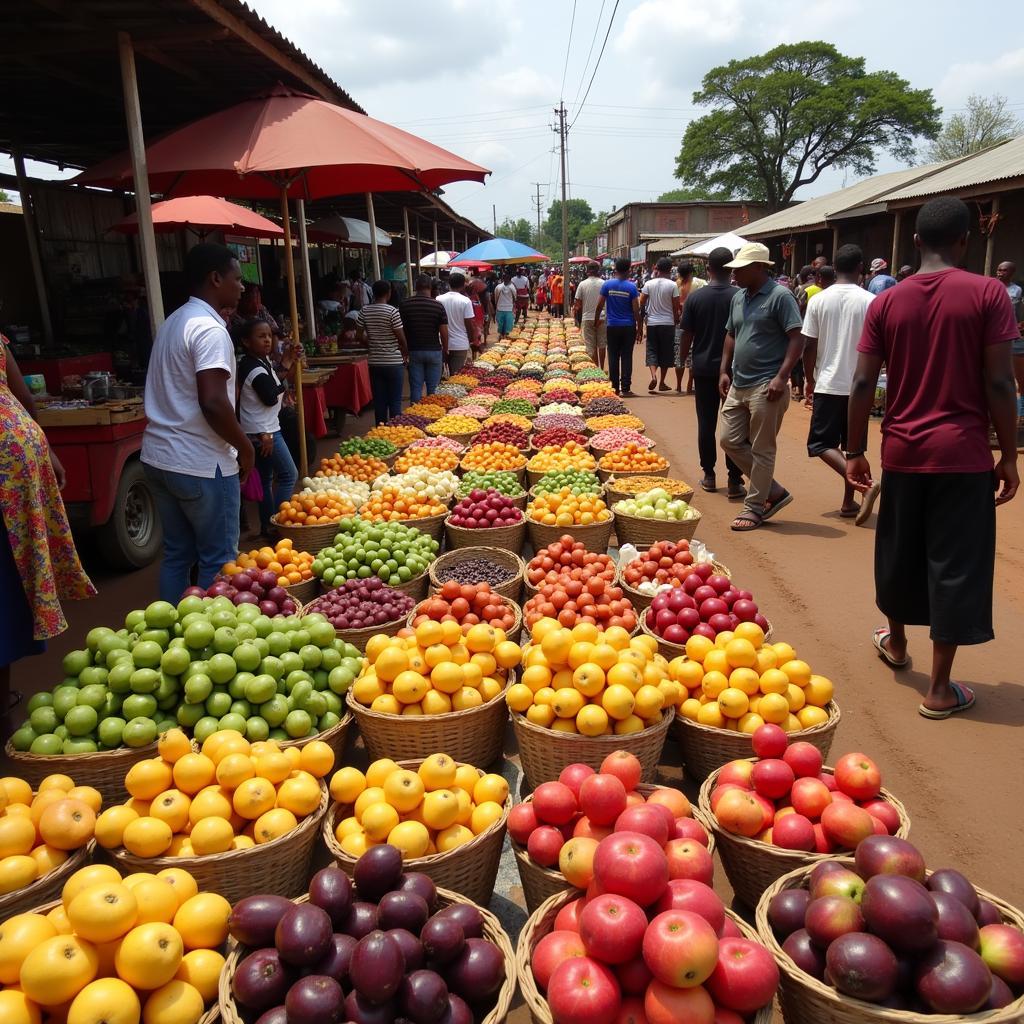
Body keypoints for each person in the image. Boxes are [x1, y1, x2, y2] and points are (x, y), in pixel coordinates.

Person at [846, 195, 1019, 719]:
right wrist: (1009, 454)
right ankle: (940, 689)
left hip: (902, 451)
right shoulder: (989, 293)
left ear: (916, 241)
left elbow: (860, 382)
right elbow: (998, 381)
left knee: (900, 553)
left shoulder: (887, 302)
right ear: (967, 239)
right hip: (964, 456)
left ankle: (897, 643)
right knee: (955, 564)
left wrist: (854, 449)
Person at [142, 243, 254, 602]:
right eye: (237, 279)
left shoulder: (173, 322)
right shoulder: (209, 329)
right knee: (219, 560)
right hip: (200, 462)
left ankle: (173, 631)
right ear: (215, 278)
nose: (242, 287)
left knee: (176, 555)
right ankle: (207, 645)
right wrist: (245, 446)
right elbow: (213, 401)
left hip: (159, 457)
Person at [1, 336, 95, 722]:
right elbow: (24, 397)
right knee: (8, 582)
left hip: (12, 471)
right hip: (13, 463)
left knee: (7, 584)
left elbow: (21, 394)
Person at [718, 242, 804, 531]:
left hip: (767, 384)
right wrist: (724, 369)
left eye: (739, 270)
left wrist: (782, 376)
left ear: (758, 269)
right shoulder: (739, 298)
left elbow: (796, 338)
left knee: (762, 448)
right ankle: (773, 490)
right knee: (729, 440)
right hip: (739, 382)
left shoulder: (781, 297)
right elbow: (732, 334)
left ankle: (755, 506)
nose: (734, 275)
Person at [801, 245, 877, 522]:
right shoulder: (871, 301)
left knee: (820, 444)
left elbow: (809, 345)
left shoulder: (819, 300)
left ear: (833, 266)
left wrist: (809, 380)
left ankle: (863, 485)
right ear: (861, 267)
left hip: (829, 382)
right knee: (853, 447)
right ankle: (849, 502)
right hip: (861, 385)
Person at [678, 247, 745, 499]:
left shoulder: (696, 298)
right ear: (732, 269)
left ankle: (709, 474)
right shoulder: (740, 297)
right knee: (735, 425)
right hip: (735, 370)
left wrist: (683, 359)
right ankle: (735, 479)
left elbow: (687, 333)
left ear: (708, 269)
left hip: (704, 368)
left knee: (706, 422)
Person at [234, 318, 298, 536]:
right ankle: (279, 522)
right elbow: (270, 396)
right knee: (289, 474)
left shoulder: (259, 362)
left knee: (266, 479)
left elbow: (275, 380)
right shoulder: (253, 368)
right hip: (264, 432)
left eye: (269, 336)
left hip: (261, 430)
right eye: (261, 336)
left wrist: (288, 362)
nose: (267, 340)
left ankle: (268, 526)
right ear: (246, 341)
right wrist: (288, 364)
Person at [356, 280, 409, 425]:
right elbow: (401, 337)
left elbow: (358, 335)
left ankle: (380, 430)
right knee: (394, 401)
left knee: (379, 401)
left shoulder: (364, 311)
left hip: (375, 362)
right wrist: (405, 351)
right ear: (388, 293)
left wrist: (370, 344)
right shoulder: (392, 311)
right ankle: (394, 430)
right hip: (393, 362)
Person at [595, 257, 643, 397]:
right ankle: (626, 388)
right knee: (627, 356)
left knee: (613, 356)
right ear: (629, 270)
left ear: (615, 269)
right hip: (628, 327)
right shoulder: (632, 287)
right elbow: (636, 310)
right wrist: (639, 327)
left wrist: (595, 322)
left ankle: (614, 387)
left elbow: (599, 306)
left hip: (612, 326)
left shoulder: (607, 285)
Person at [401, 275, 449, 401]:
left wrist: (404, 350)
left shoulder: (405, 305)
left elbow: (400, 329)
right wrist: (445, 349)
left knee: (416, 387)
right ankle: (431, 415)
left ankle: (415, 416)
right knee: (433, 388)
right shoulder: (438, 306)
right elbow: (444, 332)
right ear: (431, 287)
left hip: (414, 350)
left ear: (416, 287)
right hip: (433, 351)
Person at [640, 257, 681, 392]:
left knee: (652, 350)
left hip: (652, 323)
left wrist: (643, 318)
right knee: (666, 352)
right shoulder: (673, 285)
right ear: (670, 270)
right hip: (668, 323)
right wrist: (676, 319)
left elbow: (642, 302)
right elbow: (676, 306)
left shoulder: (648, 284)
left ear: (657, 268)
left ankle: (653, 376)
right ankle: (662, 382)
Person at [995, 260, 1024, 420]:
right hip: (994, 336)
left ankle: (1019, 418)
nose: (999, 273)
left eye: (1004, 270)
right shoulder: (991, 285)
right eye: (999, 270)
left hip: (1012, 336)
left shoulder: (1016, 290)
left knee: (1016, 379)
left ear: (1011, 272)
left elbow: (1017, 312)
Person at [675, 262, 707, 393]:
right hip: (696, 321)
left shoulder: (676, 284)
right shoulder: (700, 283)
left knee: (680, 354)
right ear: (691, 272)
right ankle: (689, 384)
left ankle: (678, 385)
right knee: (693, 354)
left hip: (680, 321)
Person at [438, 272, 477, 374]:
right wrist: (472, 341)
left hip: (441, 343)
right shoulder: (465, 301)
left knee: (441, 377)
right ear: (463, 284)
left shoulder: (439, 299)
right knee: (455, 377)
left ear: (448, 283)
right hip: (460, 344)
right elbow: (469, 324)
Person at [573, 263, 607, 369]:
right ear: (598, 271)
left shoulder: (582, 284)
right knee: (602, 345)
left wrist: (576, 319)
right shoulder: (604, 283)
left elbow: (577, 304)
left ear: (587, 271)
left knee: (590, 347)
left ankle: (596, 369)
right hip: (602, 317)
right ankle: (601, 368)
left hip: (587, 318)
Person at [465, 271, 490, 356]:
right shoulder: (469, 298)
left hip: (477, 320)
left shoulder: (475, 295)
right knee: (474, 338)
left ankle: (474, 355)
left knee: (476, 337)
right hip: (474, 322)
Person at [493, 272, 517, 339]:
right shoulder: (512, 287)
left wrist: (496, 305)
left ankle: (501, 335)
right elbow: (515, 298)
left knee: (500, 324)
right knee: (508, 324)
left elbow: (495, 297)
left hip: (500, 307)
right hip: (509, 308)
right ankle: (506, 335)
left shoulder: (498, 287)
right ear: (510, 279)